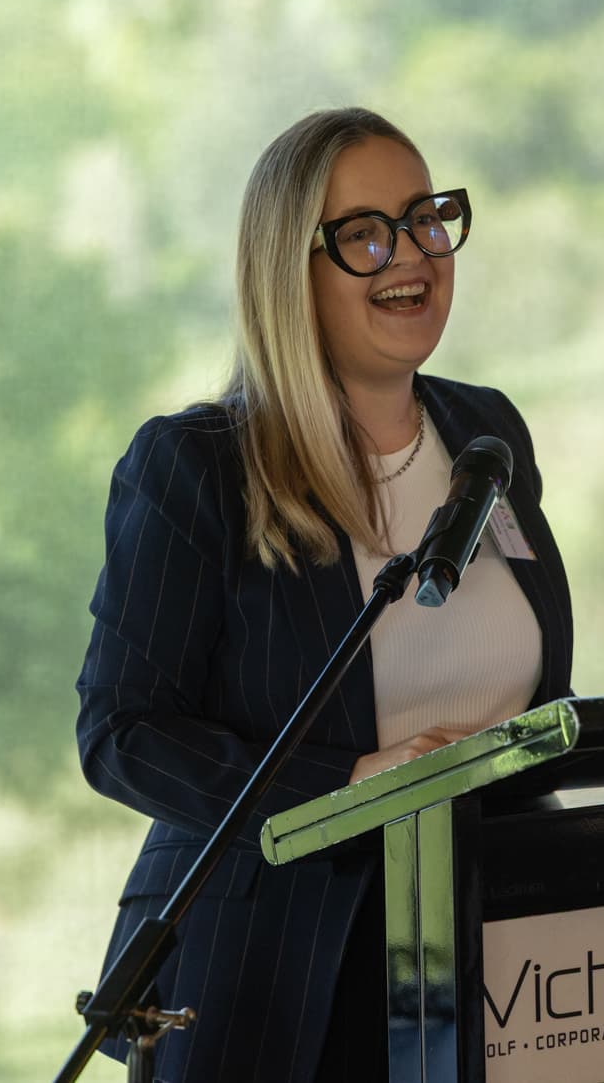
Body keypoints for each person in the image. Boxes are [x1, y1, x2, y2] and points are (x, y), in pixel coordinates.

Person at [75, 107, 575, 1081]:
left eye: (427, 217)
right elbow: (122, 733)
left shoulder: (486, 433)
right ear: (287, 267)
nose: (412, 254)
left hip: (490, 959)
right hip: (278, 977)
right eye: (364, 233)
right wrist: (347, 783)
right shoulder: (197, 468)